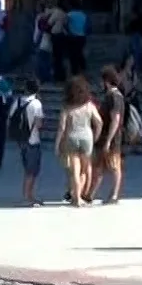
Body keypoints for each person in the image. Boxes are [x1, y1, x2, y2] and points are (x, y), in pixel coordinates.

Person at [55, 75, 102, 207]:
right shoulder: (89, 105)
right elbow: (99, 122)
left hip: (71, 138)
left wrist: (57, 144)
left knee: (74, 170)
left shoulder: (67, 107)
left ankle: (75, 198)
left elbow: (61, 127)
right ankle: (80, 195)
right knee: (84, 170)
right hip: (87, 137)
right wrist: (95, 136)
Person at [86, 66, 126, 204]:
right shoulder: (110, 96)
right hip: (104, 137)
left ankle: (114, 195)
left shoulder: (115, 97)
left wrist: (109, 139)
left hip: (111, 138)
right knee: (99, 166)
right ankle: (90, 194)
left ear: (107, 80)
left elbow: (115, 119)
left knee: (114, 166)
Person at [11, 77, 45, 205]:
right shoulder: (37, 104)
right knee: (32, 171)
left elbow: (11, 117)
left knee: (27, 168)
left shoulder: (18, 101)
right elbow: (39, 123)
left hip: (22, 140)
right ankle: (28, 196)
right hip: (33, 139)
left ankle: (28, 195)